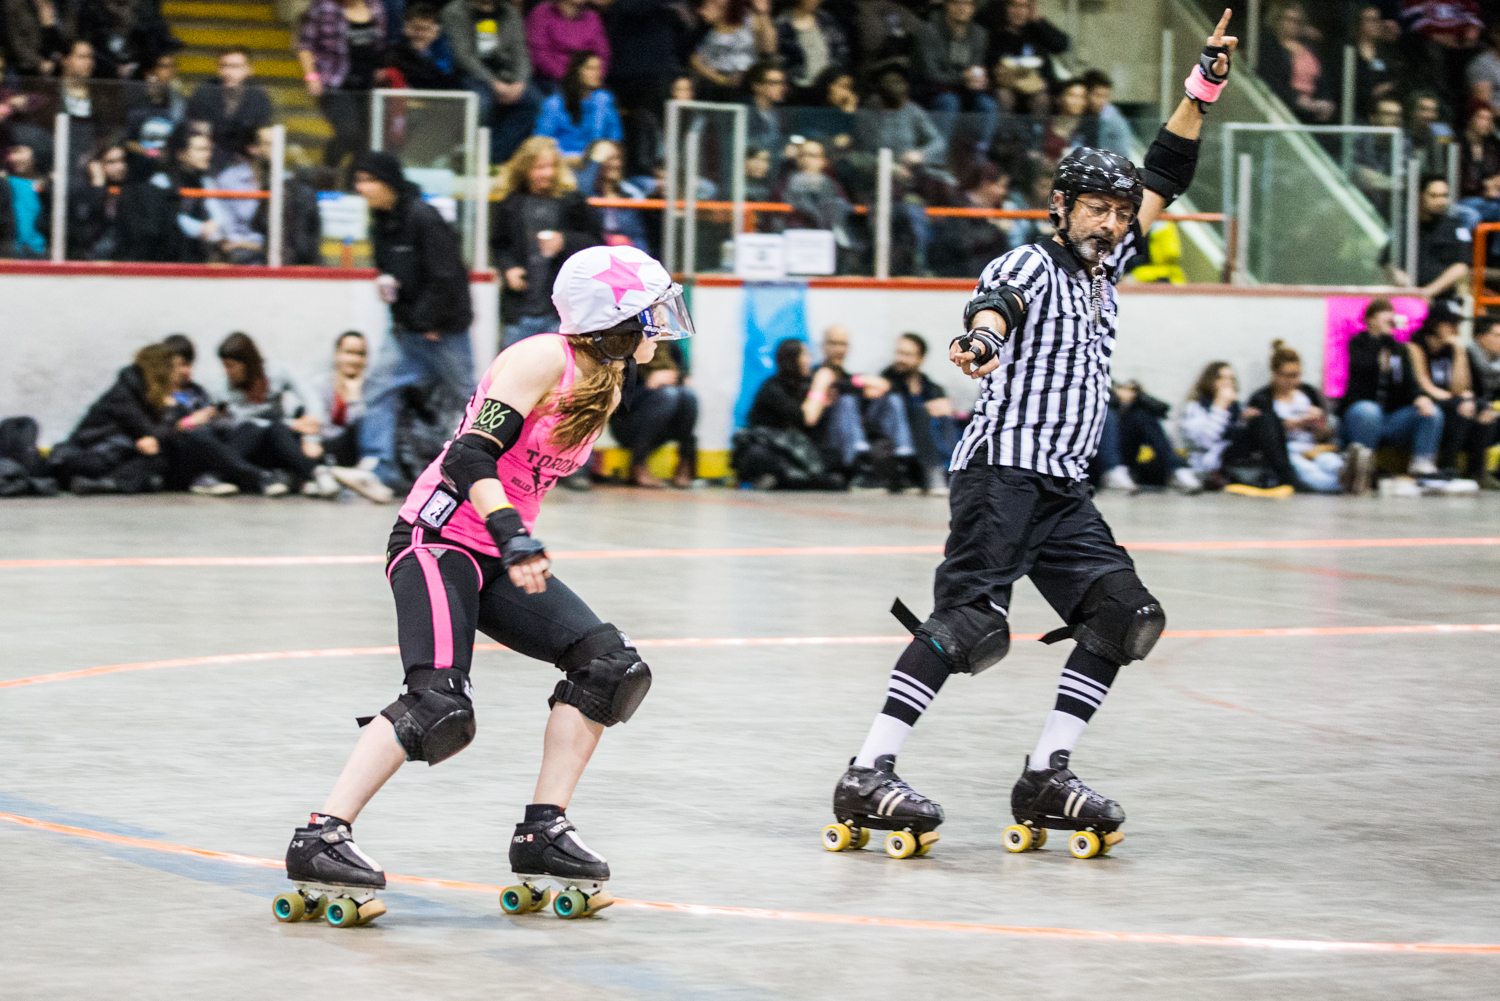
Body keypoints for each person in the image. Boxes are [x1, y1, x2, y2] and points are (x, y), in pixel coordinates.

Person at [823, 12, 1238, 863]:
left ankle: (1047, 774)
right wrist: (980, 342)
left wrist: (1204, 86)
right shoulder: (1029, 263)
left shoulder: (1109, 264)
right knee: (971, 626)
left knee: (1126, 616)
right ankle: (868, 770)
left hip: (1061, 489)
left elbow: (1167, 169)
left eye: (1119, 213)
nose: (1111, 223)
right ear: (1061, 207)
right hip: (1002, 474)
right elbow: (995, 307)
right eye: (1095, 210)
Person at [272, 245, 692, 924]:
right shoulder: (540, 359)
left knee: (610, 667)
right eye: (650, 316)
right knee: (439, 705)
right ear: (614, 320)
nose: (660, 328)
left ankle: (543, 831)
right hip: (438, 539)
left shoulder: (605, 378)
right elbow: (471, 453)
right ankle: (320, 834)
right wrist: (511, 533)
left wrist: (507, 537)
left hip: (496, 548)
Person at [351, 151, 476, 490]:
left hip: (442, 331)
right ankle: (378, 468)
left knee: (468, 400)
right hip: (408, 330)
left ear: (387, 182)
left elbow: (447, 276)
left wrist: (430, 322)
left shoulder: (424, 217)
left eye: (367, 181)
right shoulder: (379, 221)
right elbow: (392, 271)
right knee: (378, 387)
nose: (360, 189)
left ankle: (490, 468)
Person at [491, 136, 603, 347]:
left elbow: (597, 245)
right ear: (525, 170)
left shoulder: (573, 202)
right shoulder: (510, 204)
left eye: (551, 166)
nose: (547, 173)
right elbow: (499, 244)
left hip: (561, 314)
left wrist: (565, 241)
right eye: (539, 167)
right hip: (519, 310)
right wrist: (509, 268)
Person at [159, 332, 285, 497]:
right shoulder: (158, 395)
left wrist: (220, 418)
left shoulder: (199, 393)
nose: (186, 370)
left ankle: (213, 477)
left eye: (189, 364)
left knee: (250, 428)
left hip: (208, 453)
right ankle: (259, 476)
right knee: (198, 435)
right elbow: (157, 432)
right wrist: (188, 422)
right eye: (181, 364)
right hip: (178, 460)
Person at [216, 332, 341, 498]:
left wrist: (311, 438)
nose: (227, 372)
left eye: (231, 366)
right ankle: (315, 473)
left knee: (278, 428)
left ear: (247, 362)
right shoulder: (225, 387)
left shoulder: (275, 372)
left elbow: (311, 397)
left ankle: (314, 475)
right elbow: (239, 422)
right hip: (248, 444)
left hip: (276, 443)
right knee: (255, 427)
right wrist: (291, 424)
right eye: (225, 366)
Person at [1339, 297, 1445, 478]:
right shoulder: (1356, 344)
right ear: (1370, 320)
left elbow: (1411, 383)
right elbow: (1360, 371)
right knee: (1369, 411)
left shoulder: (1399, 350)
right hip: (1361, 414)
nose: (1391, 320)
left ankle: (1423, 464)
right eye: (1384, 316)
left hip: (1391, 417)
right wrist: (1379, 343)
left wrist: (1421, 398)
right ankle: (1365, 465)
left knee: (1432, 412)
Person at [48, 343, 174, 495]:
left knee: (159, 459)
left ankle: (104, 485)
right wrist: (172, 412)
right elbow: (150, 432)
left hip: (110, 454)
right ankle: (108, 484)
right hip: (87, 455)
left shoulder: (142, 394)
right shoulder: (123, 395)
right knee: (151, 458)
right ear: (160, 371)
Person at [442, 0, 541, 162]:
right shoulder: (455, 11)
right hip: (470, 75)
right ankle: (468, 159)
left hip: (507, 75)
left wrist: (520, 82)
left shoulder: (510, 13)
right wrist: (494, 84)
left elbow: (521, 52)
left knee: (533, 101)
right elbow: (464, 56)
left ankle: (494, 158)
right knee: (483, 104)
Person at [299, 0, 387, 171]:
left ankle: (353, 183)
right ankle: (327, 169)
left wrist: (381, 69)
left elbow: (380, 46)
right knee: (349, 132)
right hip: (334, 82)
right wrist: (311, 76)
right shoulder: (323, 7)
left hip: (367, 85)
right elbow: (306, 45)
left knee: (367, 142)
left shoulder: (376, 7)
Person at [1248, 340, 1344, 493]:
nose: (1294, 381)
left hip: (1313, 447)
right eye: (1288, 376)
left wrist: (1319, 424)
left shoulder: (1308, 392)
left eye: (1297, 375)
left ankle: (1347, 474)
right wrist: (1300, 422)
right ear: (1275, 374)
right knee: (1313, 474)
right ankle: (1345, 482)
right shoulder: (1262, 398)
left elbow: (1324, 432)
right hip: (1288, 451)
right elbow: (1267, 432)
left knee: (1332, 463)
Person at [608, 339, 698, 487]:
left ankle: (685, 463)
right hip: (626, 424)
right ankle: (637, 465)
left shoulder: (672, 349)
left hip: (662, 428)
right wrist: (648, 386)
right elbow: (617, 405)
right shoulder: (629, 349)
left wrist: (682, 379)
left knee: (688, 395)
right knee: (668, 394)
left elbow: (683, 377)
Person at [1408, 300, 1480, 477]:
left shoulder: (1452, 348)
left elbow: (1460, 387)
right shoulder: (1415, 344)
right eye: (1451, 323)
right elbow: (1423, 384)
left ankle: (1476, 474)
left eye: (1458, 323)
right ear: (1434, 324)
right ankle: (1448, 465)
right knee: (1459, 407)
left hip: (1446, 398)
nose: (1455, 328)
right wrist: (1459, 399)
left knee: (1484, 411)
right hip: (1419, 400)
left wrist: (1459, 351)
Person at [880, 332, 957, 492]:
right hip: (899, 438)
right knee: (922, 413)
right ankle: (934, 472)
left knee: (945, 416)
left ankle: (952, 470)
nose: (900, 359)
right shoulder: (887, 380)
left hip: (926, 437)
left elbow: (941, 403)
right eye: (899, 353)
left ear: (920, 358)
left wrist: (943, 407)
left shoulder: (928, 385)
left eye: (907, 354)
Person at [1093, 380, 1201, 493]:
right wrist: (1113, 397)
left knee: (1142, 416)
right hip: (1093, 459)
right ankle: (1112, 471)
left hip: (1124, 458)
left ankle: (1177, 469)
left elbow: (1162, 409)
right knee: (1105, 412)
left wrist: (1134, 400)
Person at [185, 48, 272, 171]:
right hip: (210, 162)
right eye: (224, 66)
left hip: (247, 165)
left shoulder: (258, 96)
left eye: (235, 66)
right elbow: (198, 134)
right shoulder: (205, 91)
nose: (228, 72)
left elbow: (264, 133)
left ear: (249, 69)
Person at [1383, 175, 1471, 296]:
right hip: (1408, 297)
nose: (1441, 201)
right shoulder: (1405, 226)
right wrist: (1403, 282)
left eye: (1445, 196)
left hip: (1443, 299)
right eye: (1434, 196)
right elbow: (1387, 262)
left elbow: (1461, 267)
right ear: (1420, 196)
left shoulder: (1457, 226)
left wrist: (1427, 293)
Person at [534, 51, 623, 161]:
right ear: (576, 71)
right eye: (590, 68)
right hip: (562, 163)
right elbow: (542, 141)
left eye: (598, 69)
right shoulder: (554, 104)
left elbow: (615, 135)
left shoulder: (604, 100)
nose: (597, 73)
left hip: (597, 163)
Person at [1259, 1, 1335, 124]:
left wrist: (1326, 101)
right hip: (1285, 110)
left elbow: (1323, 81)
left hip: (1314, 110)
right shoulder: (1272, 50)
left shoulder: (1310, 51)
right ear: (1277, 20)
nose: (1293, 25)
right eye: (1288, 19)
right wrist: (1296, 100)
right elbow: (1271, 82)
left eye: (1297, 21)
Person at [690, 0, 776, 102]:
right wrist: (722, 80)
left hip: (748, 85)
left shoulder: (750, 20)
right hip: (716, 88)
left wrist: (763, 13)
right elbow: (695, 61)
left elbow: (769, 48)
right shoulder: (705, 28)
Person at [576, 139, 649, 249]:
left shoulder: (630, 193)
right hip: (594, 252)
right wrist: (595, 162)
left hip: (625, 254)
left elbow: (638, 236)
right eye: (609, 159)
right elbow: (581, 191)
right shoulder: (587, 190)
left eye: (618, 158)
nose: (616, 164)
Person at [980, 0, 1068, 92]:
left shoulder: (1036, 30)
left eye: (1024, 6)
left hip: (1035, 84)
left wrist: (1039, 21)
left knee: (1041, 99)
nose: (1019, 11)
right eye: (1014, 5)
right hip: (1004, 83)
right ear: (1005, 7)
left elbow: (1062, 45)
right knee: (1003, 95)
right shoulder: (993, 31)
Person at [525, 0, 610, 94]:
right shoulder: (541, 13)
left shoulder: (592, 17)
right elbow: (539, 55)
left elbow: (602, 54)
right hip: (553, 79)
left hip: (588, 79)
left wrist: (595, 75)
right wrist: (571, 78)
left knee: (603, 98)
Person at [774, 0, 847, 104]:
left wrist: (834, 79)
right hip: (795, 92)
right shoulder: (782, 23)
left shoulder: (827, 20)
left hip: (826, 91)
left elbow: (840, 52)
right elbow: (779, 58)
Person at [387, 2, 462, 90]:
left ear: (436, 32)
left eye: (426, 29)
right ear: (405, 27)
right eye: (416, 28)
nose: (420, 34)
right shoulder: (394, 54)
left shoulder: (446, 55)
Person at [1466, 315, 1500, 488]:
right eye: (1497, 335)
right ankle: (1478, 472)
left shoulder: (1497, 362)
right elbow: (1464, 389)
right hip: (1466, 406)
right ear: (1480, 338)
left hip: (1487, 407)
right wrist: (1485, 406)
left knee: (1492, 414)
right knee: (1488, 416)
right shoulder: (1467, 356)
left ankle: (1495, 472)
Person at [4, 141, 48, 258]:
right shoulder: (7, 184)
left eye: (22, 152)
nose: (19, 158)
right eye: (15, 152)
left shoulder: (43, 188)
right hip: (10, 250)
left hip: (38, 251)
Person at [1080, 69, 1132, 159]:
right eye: (1098, 95)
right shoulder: (1082, 114)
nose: (1102, 102)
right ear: (1086, 93)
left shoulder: (1111, 119)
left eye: (1106, 96)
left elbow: (1123, 153)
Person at [744, 59, 787, 157]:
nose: (782, 88)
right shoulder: (744, 112)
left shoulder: (782, 113)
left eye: (782, 83)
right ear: (757, 86)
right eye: (774, 83)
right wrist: (779, 149)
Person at [1458, 102, 1500, 198]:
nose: (1486, 123)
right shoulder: (1458, 144)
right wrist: (1485, 185)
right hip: (1465, 197)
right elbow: (1460, 180)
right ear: (1470, 119)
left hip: (1489, 194)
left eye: (1489, 119)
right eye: (1481, 118)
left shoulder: (1493, 145)